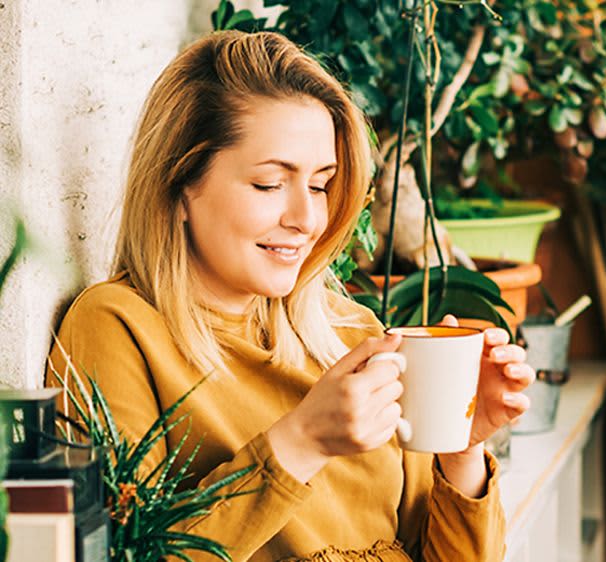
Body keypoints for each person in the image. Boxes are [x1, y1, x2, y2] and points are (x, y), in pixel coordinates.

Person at [47, 31, 534, 562]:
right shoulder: (118, 328)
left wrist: (461, 450)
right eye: (269, 184)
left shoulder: (352, 333)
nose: (306, 220)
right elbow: (124, 555)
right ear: (180, 184)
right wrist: (301, 442)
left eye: (321, 184)